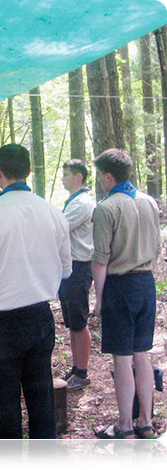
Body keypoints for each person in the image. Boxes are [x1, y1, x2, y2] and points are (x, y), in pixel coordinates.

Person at [0, 143, 71, 439]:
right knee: (41, 403)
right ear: (29, 171)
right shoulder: (54, 213)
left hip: (1, 325)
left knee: (6, 408)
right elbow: (67, 270)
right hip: (39, 317)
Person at [91, 149, 161, 439]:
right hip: (146, 284)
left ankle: (125, 426)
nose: (99, 181)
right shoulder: (149, 203)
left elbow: (100, 260)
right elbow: (156, 251)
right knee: (141, 354)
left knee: (122, 358)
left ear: (109, 177)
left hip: (119, 286)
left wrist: (99, 299)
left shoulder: (106, 208)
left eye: (100, 176)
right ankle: (146, 421)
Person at [58, 159, 95, 390]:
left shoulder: (82, 203)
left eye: (66, 174)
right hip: (69, 268)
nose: (63, 179)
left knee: (79, 322)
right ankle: (76, 367)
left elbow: (58, 226)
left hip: (79, 267)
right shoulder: (74, 201)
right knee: (72, 322)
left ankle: (82, 373)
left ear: (78, 177)